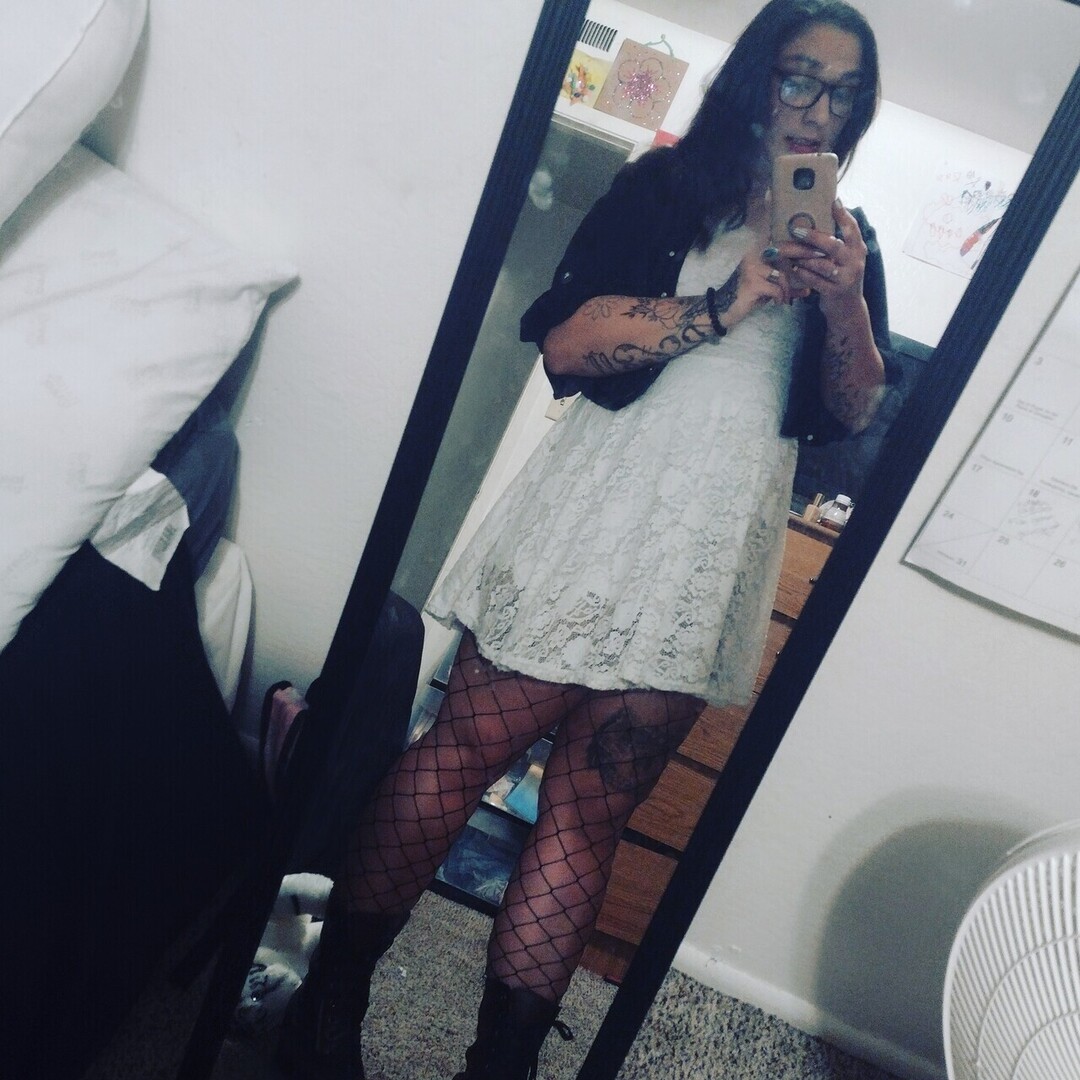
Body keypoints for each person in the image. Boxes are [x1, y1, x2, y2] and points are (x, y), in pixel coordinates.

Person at [277, 1, 892, 1077]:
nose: (817, 107)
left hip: (708, 555)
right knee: (459, 759)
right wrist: (728, 299)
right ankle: (328, 1002)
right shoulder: (664, 190)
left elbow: (852, 413)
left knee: (586, 819)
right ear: (757, 78)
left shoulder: (851, 244)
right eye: (799, 77)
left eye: (843, 92)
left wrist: (844, 302)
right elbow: (566, 344)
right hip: (596, 513)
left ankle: (499, 1066)